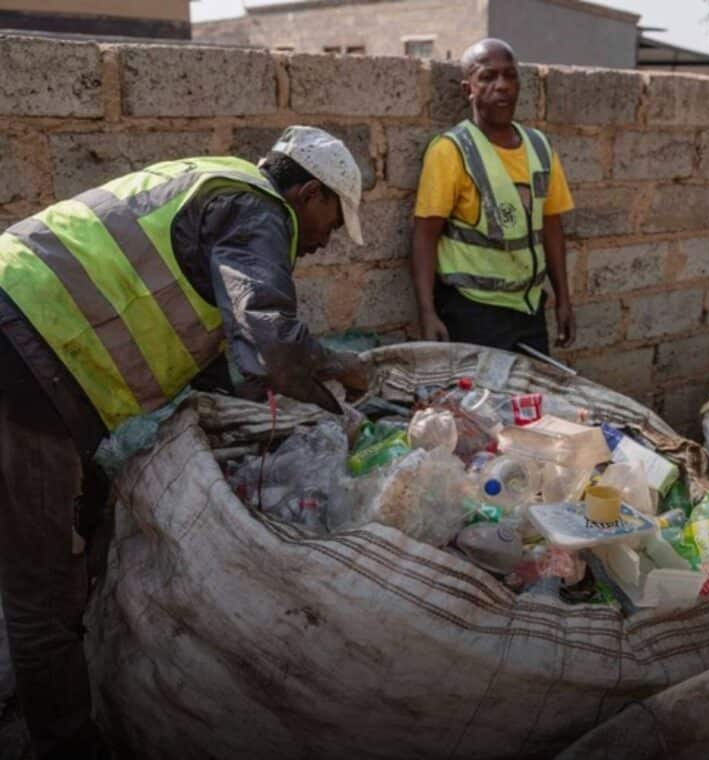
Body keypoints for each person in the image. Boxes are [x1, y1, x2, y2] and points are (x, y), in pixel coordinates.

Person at [0, 125, 370, 757]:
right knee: (44, 586)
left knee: (72, 536)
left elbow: (233, 365)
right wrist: (341, 370)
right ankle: (66, 744)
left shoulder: (216, 186)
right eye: (332, 221)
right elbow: (272, 345)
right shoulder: (258, 210)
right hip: (26, 353)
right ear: (309, 194)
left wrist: (318, 413)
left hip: (29, 338)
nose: (325, 241)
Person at [411, 37, 576, 354]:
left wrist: (563, 299)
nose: (502, 85)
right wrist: (427, 312)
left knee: (531, 387)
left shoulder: (540, 147)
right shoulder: (451, 150)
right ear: (468, 89)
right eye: (488, 77)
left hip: (529, 307)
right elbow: (425, 235)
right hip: (473, 311)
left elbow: (552, 227)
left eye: (510, 75)